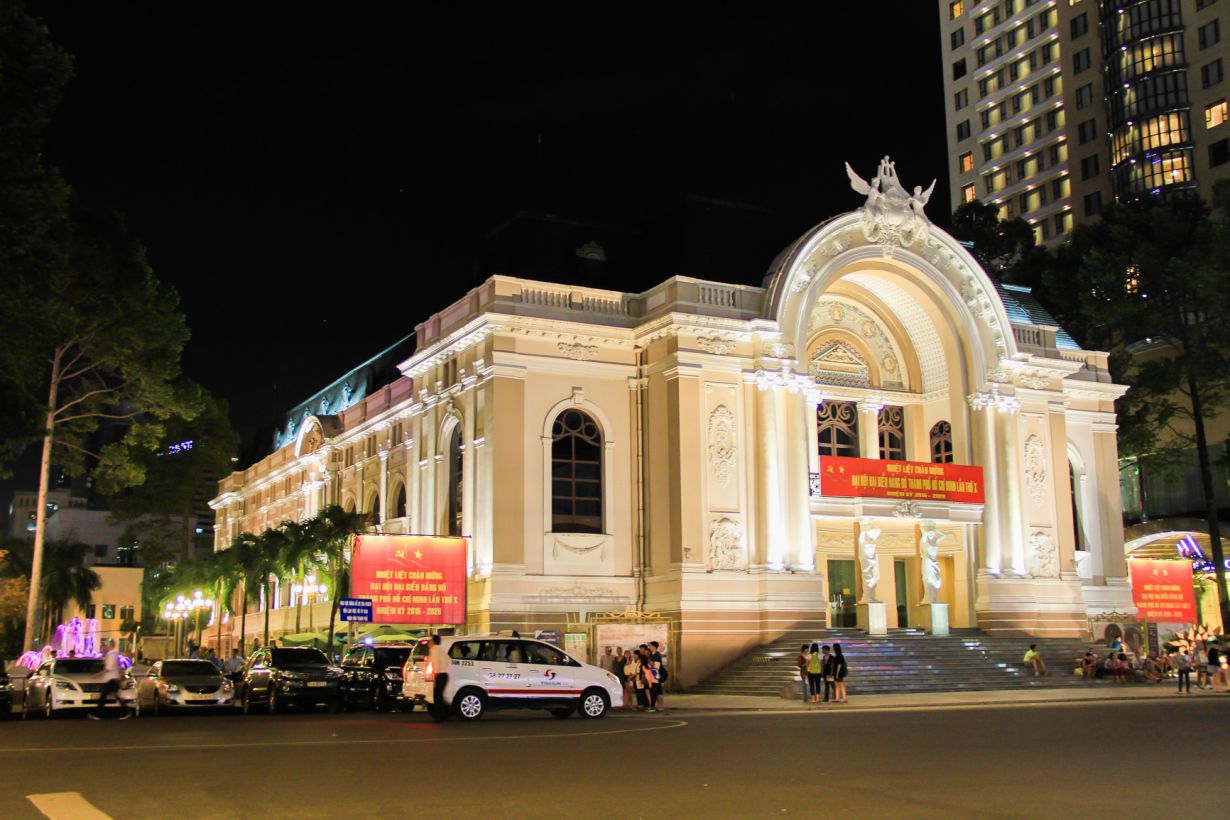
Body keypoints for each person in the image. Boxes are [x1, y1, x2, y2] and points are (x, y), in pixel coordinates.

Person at [89, 639, 130, 720]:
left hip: (111, 680)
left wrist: (98, 675)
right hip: (114, 679)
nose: (102, 649)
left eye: (104, 647)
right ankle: (126, 711)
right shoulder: (115, 655)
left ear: (109, 646)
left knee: (103, 697)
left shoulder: (111, 655)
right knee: (114, 696)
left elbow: (108, 668)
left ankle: (98, 714)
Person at [428, 634, 449, 710]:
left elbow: (436, 664)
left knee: (437, 696)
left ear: (433, 641)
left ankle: (441, 714)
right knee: (439, 695)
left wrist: (435, 676)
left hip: (439, 675)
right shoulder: (441, 649)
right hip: (445, 675)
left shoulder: (434, 650)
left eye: (430, 640)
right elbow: (448, 660)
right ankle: (444, 712)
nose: (429, 642)